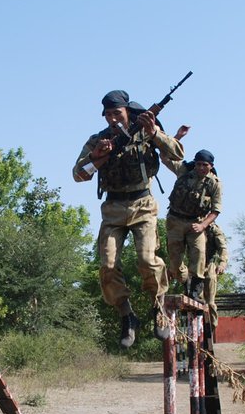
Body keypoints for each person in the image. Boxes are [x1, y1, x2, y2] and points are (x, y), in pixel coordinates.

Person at [73, 89, 184, 348]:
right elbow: (78, 174)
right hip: (113, 208)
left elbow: (177, 153)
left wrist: (155, 133)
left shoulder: (145, 131)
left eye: (117, 113)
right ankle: (126, 314)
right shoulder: (98, 140)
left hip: (142, 204)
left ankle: (158, 307)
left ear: (127, 112)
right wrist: (97, 157)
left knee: (147, 259)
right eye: (108, 115)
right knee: (108, 265)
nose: (113, 119)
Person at [165, 148, 222, 301]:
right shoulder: (184, 171)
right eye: (198, 164)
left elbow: (216, 210)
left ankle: (195, 291)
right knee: (175, 263)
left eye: (205, 165)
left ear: (211, 166)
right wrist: (177, 138)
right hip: (175, 220)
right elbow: (165, 158)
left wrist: (203, 225)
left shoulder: (214, 183)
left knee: (199, 254)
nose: (201, 168)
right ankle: (186, 281)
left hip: (196, 222)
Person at [202, 222, 229, 326]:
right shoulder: (192, 225)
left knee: (210, 302)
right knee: (193, 301)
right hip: (194, 266)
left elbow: (223, 248)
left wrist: (222, 263)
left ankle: (212, 327)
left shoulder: (214, 230)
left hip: (209, 265)